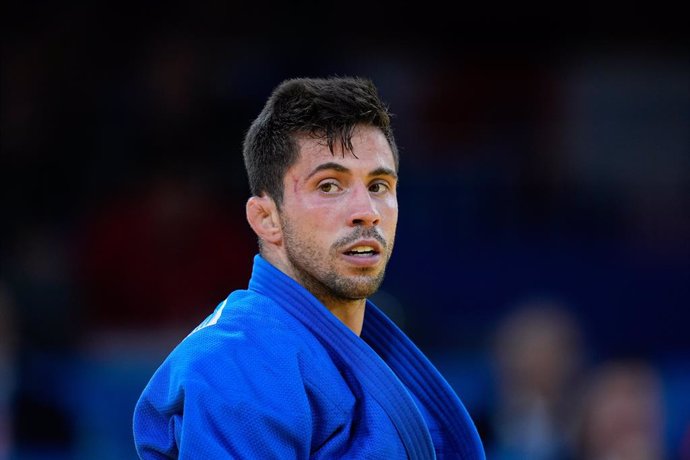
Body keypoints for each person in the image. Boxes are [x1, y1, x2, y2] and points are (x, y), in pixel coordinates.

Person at [132, 76, 485, 459]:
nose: (365, 212)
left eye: (379, 185)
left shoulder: (337, 348)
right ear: (267, 218)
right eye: (329, 186)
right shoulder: (236, 363)